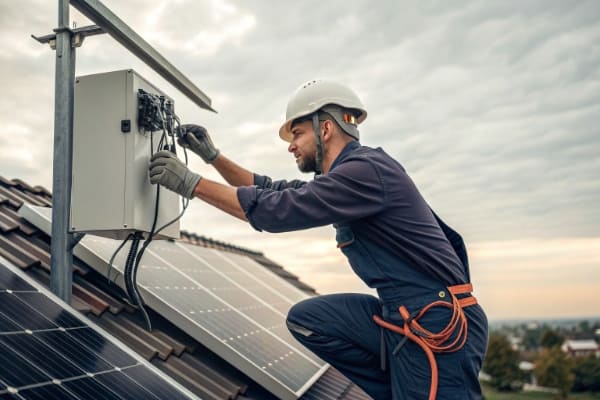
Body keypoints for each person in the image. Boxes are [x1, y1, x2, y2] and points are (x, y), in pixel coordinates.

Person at [148, 79, 488, 400]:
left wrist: (191, 184)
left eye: (297, 133)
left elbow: (278, 208)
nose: (291, 146)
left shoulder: (365, 172)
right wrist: (213, 158)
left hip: (437, 324)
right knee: (310, 320)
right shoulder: (348, 177)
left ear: (325, 128)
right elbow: (274, 190)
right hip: (399, 314)